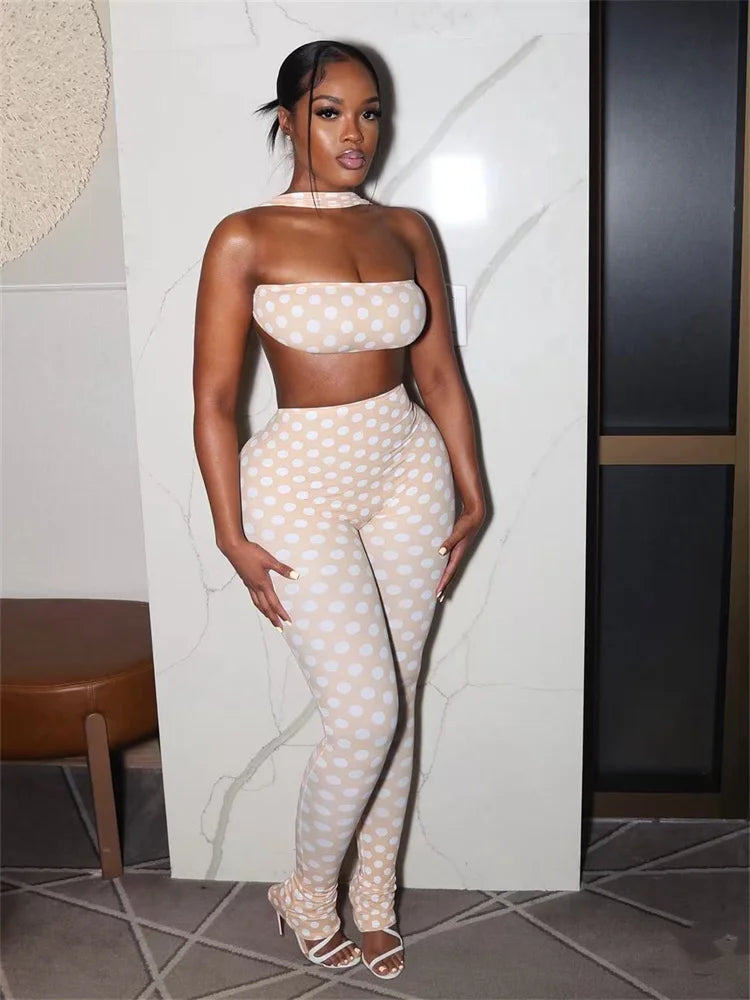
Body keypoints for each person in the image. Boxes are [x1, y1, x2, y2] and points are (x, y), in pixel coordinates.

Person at [192, 39, 485, 981]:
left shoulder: (407, 229)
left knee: (397, 695)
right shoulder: (245, 234)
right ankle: (307, 893)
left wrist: (472, 483)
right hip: (299, 481)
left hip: (408, 467)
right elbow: (213, 399)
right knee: (364, 711)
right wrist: (230, 531)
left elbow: (437, 371)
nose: (354, 132)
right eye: (330, 112)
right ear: (288, 120)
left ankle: (373, 900)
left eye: (369, 112)